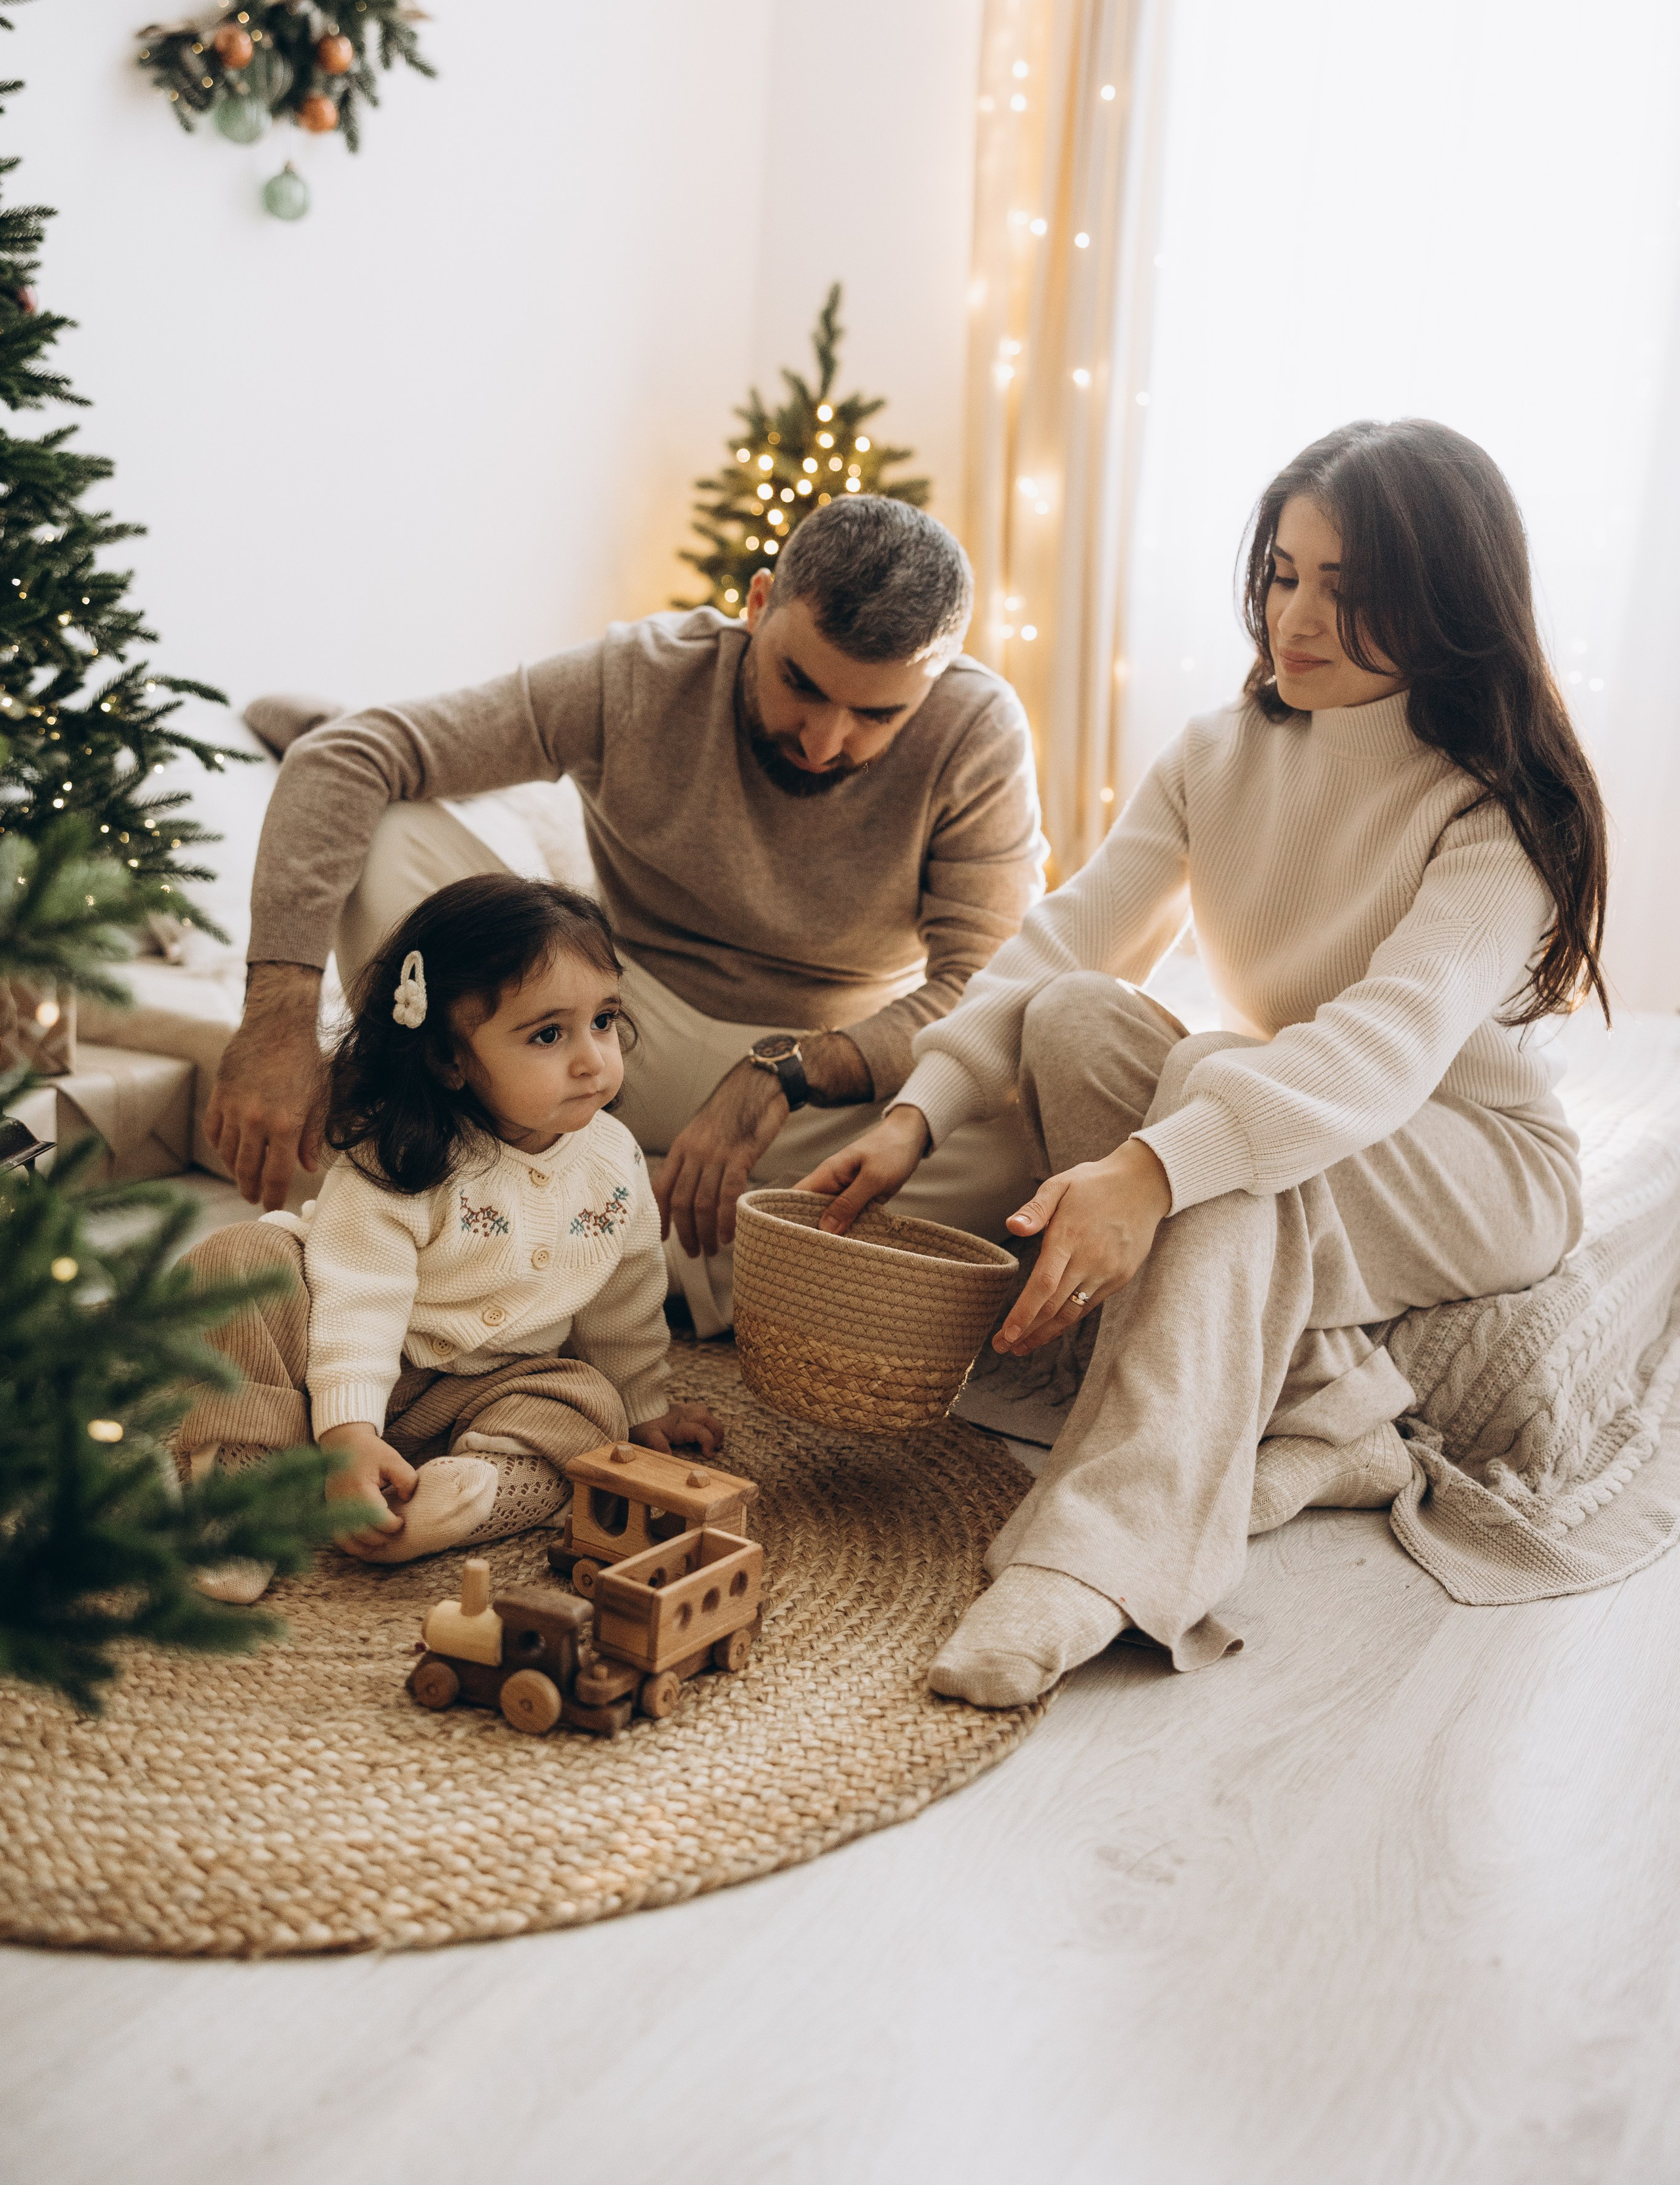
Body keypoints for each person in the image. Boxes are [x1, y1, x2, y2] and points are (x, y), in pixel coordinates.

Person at [802, 421, 1606, 1706]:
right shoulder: (1218, 751)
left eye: (1347, 589)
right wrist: (920, 1110)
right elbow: (1067, 938)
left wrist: (1152, 1170)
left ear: (1445, 600)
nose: (1296, 617)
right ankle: (1332, 1410)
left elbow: (1382, 1045)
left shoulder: (1493, 807)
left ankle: (1096, 1558)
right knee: (1078, 1015)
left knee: (1215, 1090)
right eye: (1284, 574)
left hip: (1473, 1162)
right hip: (1301, 1114)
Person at [208, 496, 1046, 1332]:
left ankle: (566, 1234)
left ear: (936, 679)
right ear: (758, 605)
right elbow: (346, 753)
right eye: (800, 683)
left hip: (812, 1087)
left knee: (1014, 1141)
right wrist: (278, 1015)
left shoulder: (978, 730)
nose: (824, 742)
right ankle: (677, 1246)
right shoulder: (641, 674)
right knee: (392, 834)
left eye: (877, 715)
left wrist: (785, 1071)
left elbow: (984, 985)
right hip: (607, 1026)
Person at [178, 876, 723, 1602]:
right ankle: (245, 1493)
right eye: (549, 1035)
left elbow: (623, 1300)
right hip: (320, 1361)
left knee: (590, 1404)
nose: (593, 1059)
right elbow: (359, 1299)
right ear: (448, 1060)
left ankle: (463, 1498)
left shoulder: (614, 1160)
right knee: (237, 1262)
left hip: (477, 1395)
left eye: (604, 1021)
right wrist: (347, 1432)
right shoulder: (400, 1154)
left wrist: (645, 1405)